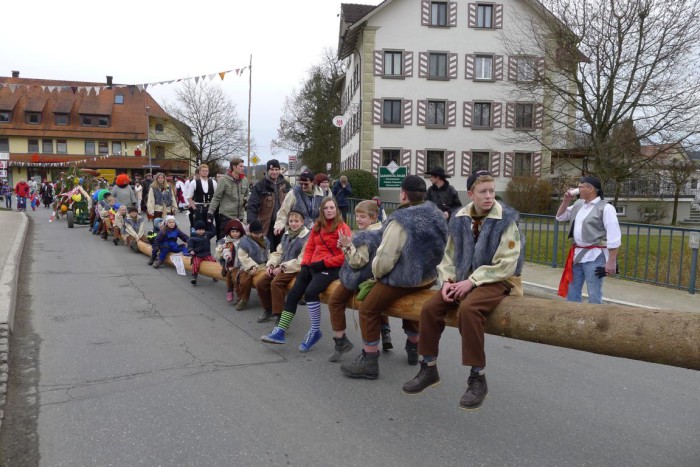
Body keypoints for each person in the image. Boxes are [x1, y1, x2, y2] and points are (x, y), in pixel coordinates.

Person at [401, 170, 525, 411]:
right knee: (430, 308)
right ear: (470, 194)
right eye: (483, 192)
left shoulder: (506, 220)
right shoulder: (459, 218)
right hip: (463, 279)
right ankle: (428, 367)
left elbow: (507, 263)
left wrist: (472, 281)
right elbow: (448, 255)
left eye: (491, 191)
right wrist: (447, 281)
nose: (489, 196)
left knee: (469, 309)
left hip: (497, 279)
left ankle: (478, 376)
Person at [340, 175, 448, 380]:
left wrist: (377, 275)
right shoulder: (435, 214)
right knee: (411, 307)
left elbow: (386, 257)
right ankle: (413, 347)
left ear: (404, 194)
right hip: (428, 277)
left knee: (368, 307)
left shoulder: (401, 220)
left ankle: (369, 360)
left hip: (405, 278)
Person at [261, 197, 351, 352]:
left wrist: (323, 263)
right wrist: (304, 265)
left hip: (332, 267)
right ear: (322, 211)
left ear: (336, 209)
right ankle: (280, 331)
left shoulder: (343, 228)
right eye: (326, 208)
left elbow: (345, 256)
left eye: (332, 208)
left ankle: (315, 330)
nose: (329, 211)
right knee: (295, 293)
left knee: (310, 293)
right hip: (313, 265)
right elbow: (309, 247)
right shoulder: (317, 226)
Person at [327, 200, 390, 363]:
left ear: (374, 217)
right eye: (357, 216)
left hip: (360, 277)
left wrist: (347, 246)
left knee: (334, 301)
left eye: (363, 216)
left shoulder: (365, 236)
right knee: (379, 306)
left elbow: (357, 262)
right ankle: (386, 332)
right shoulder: (384, 231)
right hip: (379, 277)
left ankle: (340, 341)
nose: (359, 219)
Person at [556, 175, 621, 304]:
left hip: (595, 256)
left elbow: (614, 236)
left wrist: (611, 261)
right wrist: (566, 201)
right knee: (573, 290)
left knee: (594, 292)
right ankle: (573, 318)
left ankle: (595, 320)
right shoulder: (579, 204)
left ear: (591, 189)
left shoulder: (606, 208)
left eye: (581, 187)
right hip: (577, 255)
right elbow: (560, 217)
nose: (578, 189)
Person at [255, 209, 310, 324]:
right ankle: (268, 309)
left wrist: (282, 268)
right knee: (261, 283)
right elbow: (278, 253)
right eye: (291, 221)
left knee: (276, 283)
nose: (293, 224)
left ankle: (280, 315)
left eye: (296, 221)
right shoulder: (286, 234)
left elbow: (301, 260)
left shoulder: (306, 237)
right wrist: (271, 264)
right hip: (282, 266)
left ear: (302, 222)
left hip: (295, 268)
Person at [246, 159, 291, 252]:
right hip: (265, 225)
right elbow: (252, 205)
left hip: (282, 224)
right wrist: (252, 223)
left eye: (276, 169)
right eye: (272, 170)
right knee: (267, 250)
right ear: (267, 171)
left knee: (281, 251)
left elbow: (293, 203)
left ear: (279, 170)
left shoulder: (286, 185)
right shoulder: (260, 186)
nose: (274, 172)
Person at [209, 157, 250, 239]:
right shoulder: (224, 180)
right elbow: (216, 198)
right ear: (234, 167)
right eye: (241, 166)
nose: (243, 168)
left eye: (243, 166)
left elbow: (247, 195)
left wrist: (246, 202)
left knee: (240, 243)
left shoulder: (245, 180)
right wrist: (210, 212)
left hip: (240, 217)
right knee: (224, 242)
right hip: (226, 216)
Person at [235, 220, 270, 310]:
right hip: (249, 265)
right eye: (256, 233)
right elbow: (243, 257)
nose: (258, 235)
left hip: (263, 264)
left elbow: (268, 253)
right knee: (244, 280)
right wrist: (252, 266)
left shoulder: (265, 240)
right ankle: (244, 299)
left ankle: (268, 299)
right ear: (250, 232)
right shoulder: (244, 242)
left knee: (267, 278)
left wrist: (270, 263)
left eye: (260, 233)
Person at [215, 219, 246, 304]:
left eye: (237, 231)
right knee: (229, 276)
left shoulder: (243, 241)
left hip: (240, 265)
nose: (235, 233)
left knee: (236, 280)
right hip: (230, 264)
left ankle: (240, 297)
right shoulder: (227, 241)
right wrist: (227, 256)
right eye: (233, 231)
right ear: (229, 232)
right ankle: (229, 291)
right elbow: (225, 251)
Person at [186, 163, 218, 231]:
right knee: (199, 227)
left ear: (208, 172)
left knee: (209, 227)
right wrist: (194, 209)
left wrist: (213, 208)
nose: (205, 172)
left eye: (206, 171)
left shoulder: (213, 182)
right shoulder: (194, 182)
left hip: (210, 208)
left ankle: (206, 241)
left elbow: (216, 196)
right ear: (199, 172)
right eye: (203, 170)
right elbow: (189, 197)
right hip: (198, 207)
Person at [187, 220, 218, 285]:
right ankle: (194, 276)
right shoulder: (192, 237)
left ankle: (214, 275)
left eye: (203, 229)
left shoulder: (207, 234)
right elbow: (190, 245)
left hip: (206, 254)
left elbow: (214, 232)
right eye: (199, 230)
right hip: (197, 255)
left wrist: (210, 224)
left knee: (213, 261)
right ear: (196, 230)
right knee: (196, 263)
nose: (201, 231)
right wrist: (191, 250)